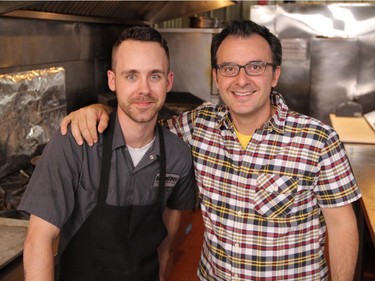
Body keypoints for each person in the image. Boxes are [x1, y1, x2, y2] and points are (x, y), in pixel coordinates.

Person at [60, 20, 361, 281]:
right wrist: (99, 109)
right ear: (216, 77)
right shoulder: (198, 127)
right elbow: (140, 122)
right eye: (229, 68)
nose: (241, 80)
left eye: (255, 67)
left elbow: (342, 226)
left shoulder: (317, 140)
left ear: (275, 74)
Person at [18, 26, 196, 281]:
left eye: (154, 76)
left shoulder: (178, 156)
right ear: (113, 80)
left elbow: (166, 242)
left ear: (168, 81)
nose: (144, 89)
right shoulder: (75, 141)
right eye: (131, 76)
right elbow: (38, 242)